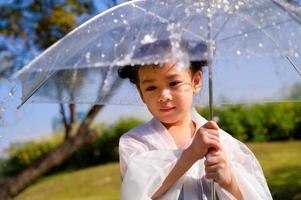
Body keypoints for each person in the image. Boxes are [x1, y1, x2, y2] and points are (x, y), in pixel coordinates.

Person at [117, 39, 272, 200]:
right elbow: (136, 192)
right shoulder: (135, 142)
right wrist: (191, 154)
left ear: (196, 81)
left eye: (174, 83)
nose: (164, 96)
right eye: (151, 87)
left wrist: (228, 181)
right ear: (141, 93)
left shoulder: (222, 142)